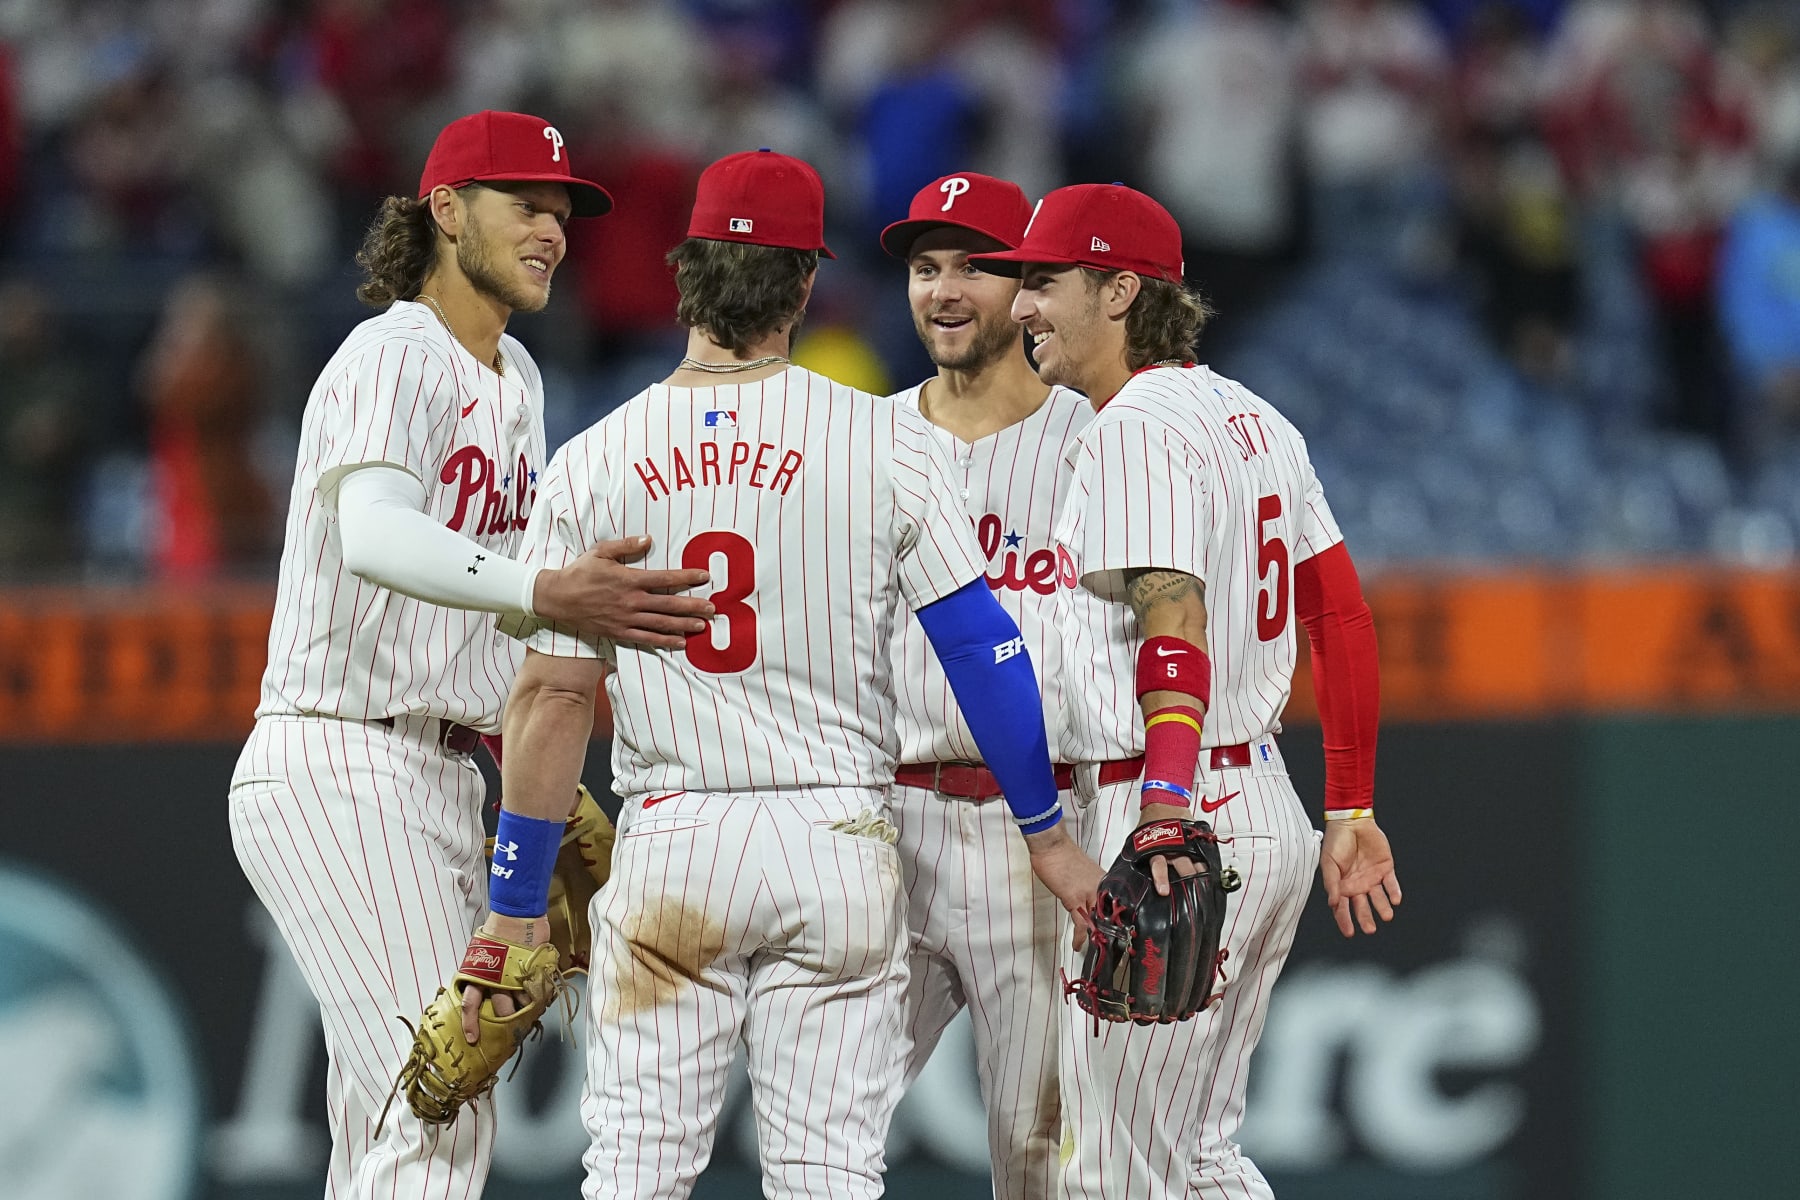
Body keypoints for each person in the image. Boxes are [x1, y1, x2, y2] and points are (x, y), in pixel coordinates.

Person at [475, 148, 1103, 1200]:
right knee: (827, 1177)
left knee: (633, 1173)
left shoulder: (594, 457)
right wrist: (1046, 833)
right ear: (808, 282)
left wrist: (513, 899)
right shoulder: (885, 442)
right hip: (838, 839)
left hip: (677, 832)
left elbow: (547, 699)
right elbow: (983, 649)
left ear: (685, 272)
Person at [226, 110, 715, 1200]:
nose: (552, 229)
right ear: (445, 211)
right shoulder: (395, 349)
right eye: (525, 205)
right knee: (436, 1114)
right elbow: (379, 533)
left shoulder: (518, 379)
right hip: (341, 755)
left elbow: (485, 603)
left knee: (384, 1125)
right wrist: (548, 592)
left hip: (442, 769)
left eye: (562, 211)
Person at [970, 183, 1401, 1199]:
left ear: (1119, 289)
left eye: (1044, 281)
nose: (1021, 306)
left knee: (1115, 1174)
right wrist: (1351, 804)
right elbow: (1337, 613)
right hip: (1262, 805)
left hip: (1172, 805)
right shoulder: (1254, 417)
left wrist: (1164, 809)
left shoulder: (1137, 424)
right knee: (1196, 1160)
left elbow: (1173, 611)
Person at [876, 171, 1094, 1199]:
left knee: (1041, 1158)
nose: (946, 290)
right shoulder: (859, 442)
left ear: (1033, 287)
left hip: (1046, 835)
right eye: (926, 267)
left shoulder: (1096, 443)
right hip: (893, 826)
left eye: (976, 265)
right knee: (817, 1126)